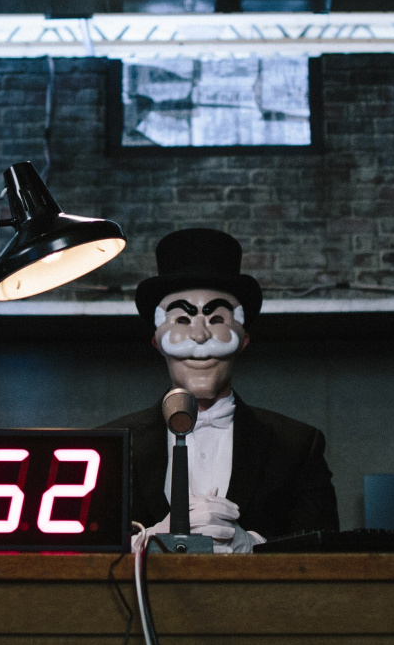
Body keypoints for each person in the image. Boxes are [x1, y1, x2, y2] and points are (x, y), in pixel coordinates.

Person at [103, 228, 338, 552]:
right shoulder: (112, 444)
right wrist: (146, 541)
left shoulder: (297, 446)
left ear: (242, 340)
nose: (199, 335)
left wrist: (253, 547)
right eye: (182, 320)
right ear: (157, 342)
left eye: (216, 318)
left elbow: (327, 556)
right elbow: (79, 556)